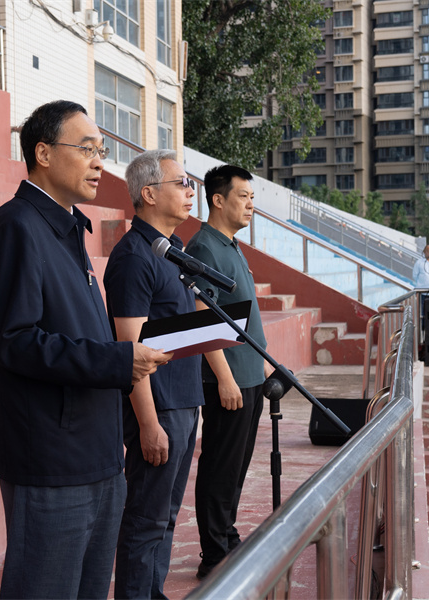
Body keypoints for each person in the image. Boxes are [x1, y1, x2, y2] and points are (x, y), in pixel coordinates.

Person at [0, 100, 171, 600]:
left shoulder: (67, 228)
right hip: (53, 460)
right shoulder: (17, 226)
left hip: (100, 453)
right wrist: (118, 360)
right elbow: (15, 343)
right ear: (43, 153)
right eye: (86, 150)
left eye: (101, 151)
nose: (99, 162)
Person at [103, 149, 205, 599]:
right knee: (146, 520)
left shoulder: (173, 250)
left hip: (183, 400)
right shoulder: (133, 257)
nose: (190, 192)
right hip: (158, 408)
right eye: (181, 183)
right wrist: (148, 423)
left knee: (166, 517)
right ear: (148, 194)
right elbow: (131, 349)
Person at [184, 165, 270, 579]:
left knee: (236, 467)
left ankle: (227, 535)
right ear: (218, 200)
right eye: (243, 197)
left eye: (252, 197)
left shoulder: (230, 244)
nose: (251, 205)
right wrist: (224, 377)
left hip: (250, 375)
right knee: (220, 466)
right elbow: (201, 315)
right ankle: (214, 553)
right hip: (229, 379)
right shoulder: (204, 247)